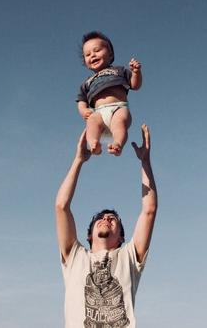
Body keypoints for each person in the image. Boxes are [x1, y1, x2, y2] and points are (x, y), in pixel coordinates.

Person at [55, 124, 158, 327]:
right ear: (89, 235)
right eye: (100, 218)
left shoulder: (128, 257)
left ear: (121, 237)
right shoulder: (75, 256)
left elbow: (149, 210)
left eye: (113, 219)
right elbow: (61, 207)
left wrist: (145, 161)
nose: (106, 219)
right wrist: (78, 161)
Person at [76, 31, 142, 156]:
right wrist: (84, 110)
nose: (93, 55)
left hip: (119, 107)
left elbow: (135, 85)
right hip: (99, 112)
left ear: (110, 54)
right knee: (91, 122)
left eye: (97, 50)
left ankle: (117, 144)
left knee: (119, 123)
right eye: (88, 54)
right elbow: (81, 100)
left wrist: (136, 73)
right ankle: (94, 144)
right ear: (85, 62)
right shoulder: (87, 82)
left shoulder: (119, 70)